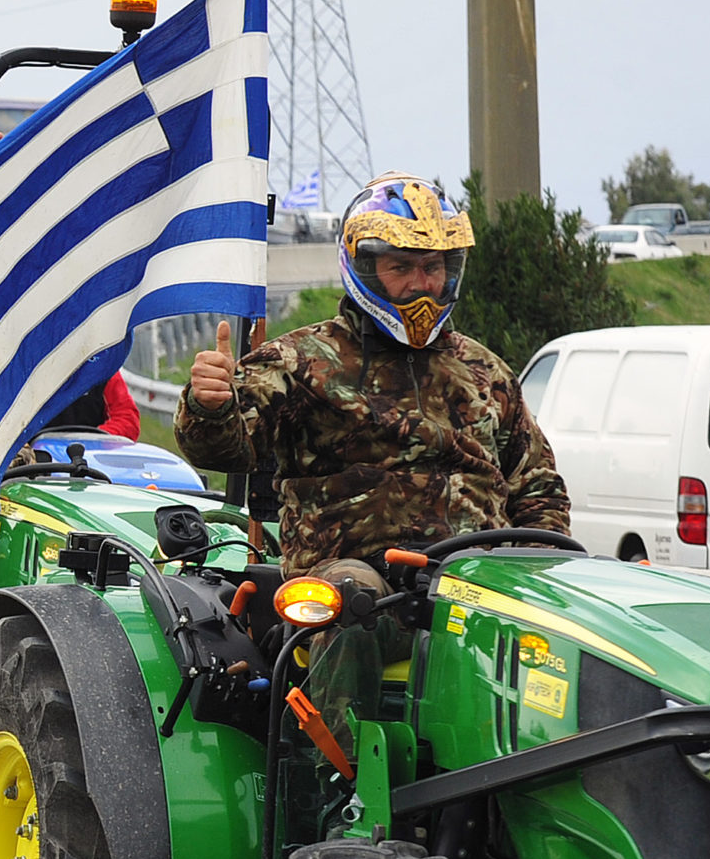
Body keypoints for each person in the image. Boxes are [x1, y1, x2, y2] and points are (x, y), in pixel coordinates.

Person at [177, 171, 568, 577]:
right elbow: (222, 450)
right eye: (401, 268)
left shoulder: (486, 371)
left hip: (473, 578)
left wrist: (530, 574)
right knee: (356, 596)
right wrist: (209, 405)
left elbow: (539, 490)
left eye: (433, 267)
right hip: (350, 581)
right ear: (362, 267)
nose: (422, 285)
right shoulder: (296, 361)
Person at [43, 372, 140, 440]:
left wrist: (93, 439)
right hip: (40, 457)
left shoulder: (104, 368)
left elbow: (128, 421)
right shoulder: (34, 363)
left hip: (90, 458)